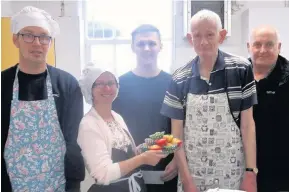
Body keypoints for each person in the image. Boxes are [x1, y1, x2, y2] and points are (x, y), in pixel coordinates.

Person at [160, 9, 258, 192]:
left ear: (221, 36)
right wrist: (187, 182)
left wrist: (250, 173)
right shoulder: (179, 78)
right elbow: (175, 138)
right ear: (190, 39)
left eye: (210, 35)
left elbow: (247, 126)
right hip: (193, 175)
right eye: (197, 36)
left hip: (232, 174)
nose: (203, 42)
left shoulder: (241, 69)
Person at [1, 6, 85, 192]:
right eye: (28, 35)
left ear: (50, 42)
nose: (37, 43)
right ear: (16, 39)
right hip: (11, 184)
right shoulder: (3, 84)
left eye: (44, 37)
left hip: (58, 184)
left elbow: (74, 139)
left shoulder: (67, 84)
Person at [77, 63, 167, 192]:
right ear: (89, 89)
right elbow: (103, 174)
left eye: (111, 82)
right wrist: (142, 159)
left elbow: (125, 154)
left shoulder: (117, 117)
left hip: (132, 186)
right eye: (99, 84)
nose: (107, 88)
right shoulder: (89, 125)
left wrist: (143, 150)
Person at [112, 24, 178, 192]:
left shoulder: (173, 84)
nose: (146, 48)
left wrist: (176, 159)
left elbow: (178, 128)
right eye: (141, 44)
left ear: (160, 46)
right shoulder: (119, 85)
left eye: (152, 43)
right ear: (133, 47)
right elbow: (113, 130)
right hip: (129, 172)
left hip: (166, 171)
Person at [247, 25, 289, 192]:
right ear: (248, 47)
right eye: (257, 44)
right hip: (241, 174)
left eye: (269, 44)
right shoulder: (237, 78)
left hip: (281, 178)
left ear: (279, 47)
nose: (263, 50)